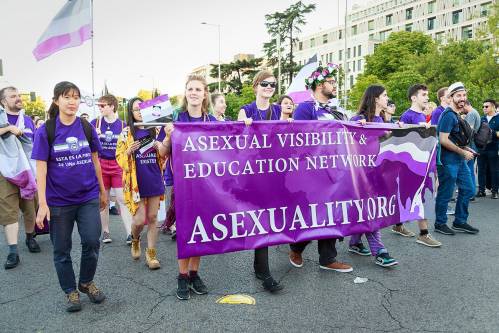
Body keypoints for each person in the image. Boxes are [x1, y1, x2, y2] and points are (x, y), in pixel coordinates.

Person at [32, 81, 106, 312]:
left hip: (88, 197)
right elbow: (41, 168)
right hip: (59, 201)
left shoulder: (86, 127)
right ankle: (70, 291)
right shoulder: (46, 130)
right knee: (61, 249)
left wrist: (103, 191)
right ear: (56, 101)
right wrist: (42, 203)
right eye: (66, 97)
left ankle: (85, 282)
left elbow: (95, 160)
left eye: (76, 97)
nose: (72, 101)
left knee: (92, 241)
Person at [157, 75, 216, 300]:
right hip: (182, 186)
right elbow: (162, 152)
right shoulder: (176, 120)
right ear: (185, 93)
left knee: (200, 231)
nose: (193, 92)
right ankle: (182, 275)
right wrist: (170, 137)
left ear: (204, 93)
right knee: (185, 231)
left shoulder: (211, 121)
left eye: (198, 89)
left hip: (206, 186)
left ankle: (194, 273)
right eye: (190, 89)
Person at [290, 63, 352, 273]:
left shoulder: (337, 109)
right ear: (318, 84)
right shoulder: (306, 108)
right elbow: (298, 139)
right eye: (331, 82)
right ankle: (296, 246)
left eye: (335, 82)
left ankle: (328, 258)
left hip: (337, 170)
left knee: (334, 213)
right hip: (314, 172)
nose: (335, 85)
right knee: (312, 215)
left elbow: (349, 133)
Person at [237, 70, 284, 293]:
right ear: (255, 86)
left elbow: (287, 137)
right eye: (264, 84)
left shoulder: (277, 110)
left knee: (268, 220)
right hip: (252, 174)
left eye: (272, 85)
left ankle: (259, 266)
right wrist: (243, 127)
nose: (268, 87)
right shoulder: (246, 110)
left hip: (275, 173)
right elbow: (237, 141)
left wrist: (289, 124)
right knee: (261, 219)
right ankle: (264, 272)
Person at [348, 85, 398, 267]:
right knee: (371, 210)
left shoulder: (382, 119)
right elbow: (344, 141)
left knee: (365, 209)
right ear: (375, 98)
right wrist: (356, 127)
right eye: (385, 95)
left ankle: (354, 242)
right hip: (361, 174)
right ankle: (380, 251)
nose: (387, 98)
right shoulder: (359, 118)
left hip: (378, 172)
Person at [116, 97, 164, 270]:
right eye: (136, 109)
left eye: (142, 108)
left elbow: (165, 153)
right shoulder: (126, 133)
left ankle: (151, 254)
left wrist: (162, 146)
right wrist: (128, 151)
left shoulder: (156, 130)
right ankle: (135, 239)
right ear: (131, 112)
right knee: (138, 220)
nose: (140, 112)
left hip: (154, 178)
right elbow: (119, 159)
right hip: (136, 182)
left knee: (152, 218)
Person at [393, 84, 441, 247]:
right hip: (412, 166)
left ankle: (407, 228)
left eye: (427, 94)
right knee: (414, 197)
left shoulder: (422, 116)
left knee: (422, 197)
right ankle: (419, 232)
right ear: (414, 98)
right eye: (423, 95)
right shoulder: (407, 116)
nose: (427, 97)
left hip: (425, 164)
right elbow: (399, 140)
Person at [0, 86, 40, 270]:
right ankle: (13, 251)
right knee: (9, 211)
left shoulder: (28, 121)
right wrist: (9, 128)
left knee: (30, 208)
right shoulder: (2, 119)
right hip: (6, 171)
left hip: (29, 170)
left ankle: (30, 237)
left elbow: (35, 145)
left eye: (18, 95)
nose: (18, 98)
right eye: (12, 96)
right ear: (3, 101)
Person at [434, 82, 479, 235]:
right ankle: (440, 223)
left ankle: (460, 221)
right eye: (458, 95)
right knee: (446, 193)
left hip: (458, 160)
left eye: (464, 95)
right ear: (451, 97)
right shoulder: (448, 115)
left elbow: (454, 139)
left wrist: (465, 148)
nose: (462, 98)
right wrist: (462, 152)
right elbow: (443, 140)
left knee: (468, 189)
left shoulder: (456, 115)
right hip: (447, 161)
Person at [91, 94, 133, 244]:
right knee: (104, 199)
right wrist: (94, 137)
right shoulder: (94, 123)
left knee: (122, 199)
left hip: (117, 164)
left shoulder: (123, 125)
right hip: (101, 164)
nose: (100, 108)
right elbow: (87, 144)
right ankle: (106, 232)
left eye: (103, 105)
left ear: (112, 106)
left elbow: (128, 146)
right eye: (99, 106)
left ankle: (130, 233)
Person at [477, 99, 499, 199]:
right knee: (481, 170)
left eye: (486, 106)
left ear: (493, 107)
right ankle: (481, 190)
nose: (484, 108)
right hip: (482, 148)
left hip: (493, 147)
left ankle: (495, 191)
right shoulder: (482, 119)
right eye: (483, 107)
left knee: (494, 170)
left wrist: (491, 132)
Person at [463, 100, 481, 200]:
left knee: (468, 169)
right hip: (473, 144)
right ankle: (471, 192)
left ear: (466, 105)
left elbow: (468, 131)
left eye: (463, 106)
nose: (462, 109)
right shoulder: (475, 112)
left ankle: (470, 193)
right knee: (469, 169)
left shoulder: (471, 113)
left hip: (470, 144)